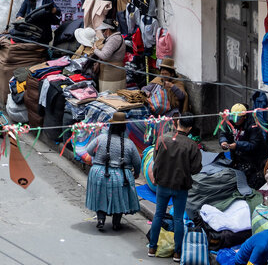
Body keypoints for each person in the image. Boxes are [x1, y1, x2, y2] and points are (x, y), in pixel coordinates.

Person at [147, 115, 203, 259]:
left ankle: (152, 248)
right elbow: (196, 168)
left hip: (163, 184)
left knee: (158, 214)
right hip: (181, 186)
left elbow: (155, 160)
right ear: (190, 128)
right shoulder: (191, 145)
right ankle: (177, 253)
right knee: (178, 219)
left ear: (177, 122)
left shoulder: (162, 139)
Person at [85, 111, 141, 232]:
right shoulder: (129, 144)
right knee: (119, 198)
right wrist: (136, 173)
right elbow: (137, 162)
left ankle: (100, 219)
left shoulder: (101, 138)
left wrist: (98, 156)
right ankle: (116, 223)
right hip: (120, 176)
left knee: (100, 196)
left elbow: (89, 150)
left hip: (99, 173)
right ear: (124, 128)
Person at [219, 103, 268, 189]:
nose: (235, 122)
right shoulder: (230, 121)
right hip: (239, 157)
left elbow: (254, 145)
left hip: (254, 159)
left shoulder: (253, 126)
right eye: (233, 119)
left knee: (252, 183)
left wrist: (237, 145)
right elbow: (223, 133)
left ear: (244, 117)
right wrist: (223, 142)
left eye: (237, 119)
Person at [92, 22, 127, 94]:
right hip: (112, 71)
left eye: (102, 31)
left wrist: (95, 50)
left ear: (108, 30)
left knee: (110, 96)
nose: (102, 33)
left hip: (112, 73)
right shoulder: (116, 38)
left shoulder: (114, 39)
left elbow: (104, 55)